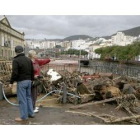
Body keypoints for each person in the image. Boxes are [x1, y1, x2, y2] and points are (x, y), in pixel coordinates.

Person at [9, 45, 34, 122]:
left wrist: (11, 82)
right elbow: (32, 70)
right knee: (28, 98)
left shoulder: (16, 60)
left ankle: (23, 117)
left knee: (22, 100)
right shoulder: (28, 59)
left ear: (16, 52)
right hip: (29, 81)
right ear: (23, 51)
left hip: (22, 82)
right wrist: (32, 79)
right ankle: (31, 113)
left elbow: (15, 73)